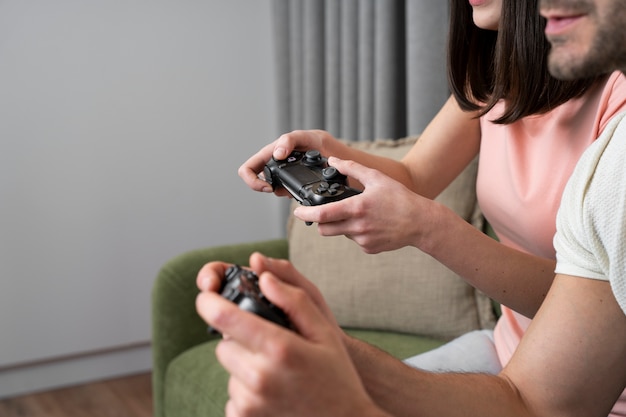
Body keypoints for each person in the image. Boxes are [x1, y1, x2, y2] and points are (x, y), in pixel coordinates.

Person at [196, 0, 626, 416]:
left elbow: (590, 301)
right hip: (509, 354)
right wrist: (329, 152)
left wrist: (429, 229)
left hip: (588, 388)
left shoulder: (615, 104)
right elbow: (417, 175)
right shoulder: (499, 77)